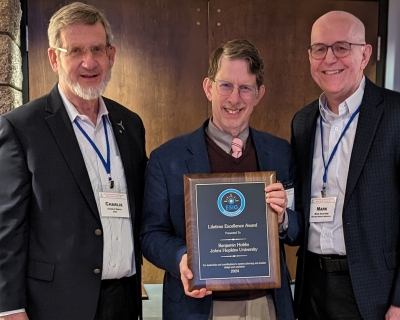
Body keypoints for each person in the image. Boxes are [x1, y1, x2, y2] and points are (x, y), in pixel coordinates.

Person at [0, 2, 147, 320]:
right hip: (56, 305)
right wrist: (10, 309)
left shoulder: (130, 124)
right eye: (76, 51)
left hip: (125, 300)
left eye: (97, 49)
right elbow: (7, 229)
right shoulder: (22, 127)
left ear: (111, 54)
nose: (89, 61)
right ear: (54, 57)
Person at [140, 39, 301, 320]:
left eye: (245, 88)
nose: (234, 99)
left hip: (267, 305)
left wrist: (284, 219)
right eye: (225, 85)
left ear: (259, 93)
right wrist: (181, 258)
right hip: (198, 308)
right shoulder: (167, 159)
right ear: (208, 88)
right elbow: (150, 235)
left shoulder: (279, 153)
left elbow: (298, 229)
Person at [291, 10, 400, 320]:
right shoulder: (302, 122)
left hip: (374, 291)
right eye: (320, 49)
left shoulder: (394, 114)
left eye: (342, 47)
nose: (329, 59)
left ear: (364, 54)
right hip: (312, 285)